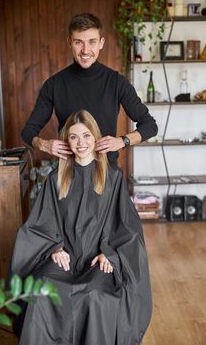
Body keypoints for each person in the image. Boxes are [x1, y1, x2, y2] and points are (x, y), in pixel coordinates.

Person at [11, 110, 152, 345]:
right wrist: (53, 249)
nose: (81, 143)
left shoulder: (113, 177)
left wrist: (112, 254)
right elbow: (39, 224)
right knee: (43, 288)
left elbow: (127, 227)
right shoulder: (56, 178)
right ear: (66, 141)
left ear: (96, 138)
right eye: (74, 137)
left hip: (97, 259)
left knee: (95, 295)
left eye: (86, 136)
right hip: (64, 257)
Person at [21, 13, 158, 163]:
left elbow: (150, 126)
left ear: (101, 42)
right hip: (69, 174)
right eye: (78, 42)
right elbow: (28, 131)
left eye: (92, 41)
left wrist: (122, 141)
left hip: (108, 174)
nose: (85, 50)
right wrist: (44, 144)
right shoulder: (54, 84)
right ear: (69, 42)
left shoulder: (116, 82)